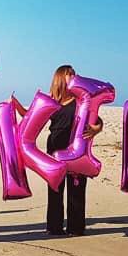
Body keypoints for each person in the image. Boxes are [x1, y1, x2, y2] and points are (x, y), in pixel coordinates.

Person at [44, 65, 103, 236]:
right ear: (60, 78)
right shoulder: (52, 101)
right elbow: (31, 116)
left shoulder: (82, 101)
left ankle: (76, 227)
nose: (74, 76)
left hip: (76, 151)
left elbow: (97, 121)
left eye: (74, 74)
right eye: (69, 74)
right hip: (55, 147)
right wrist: (16, 105)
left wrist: (96, 129)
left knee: (76, 188)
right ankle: (54, 227)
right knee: (55, 188)